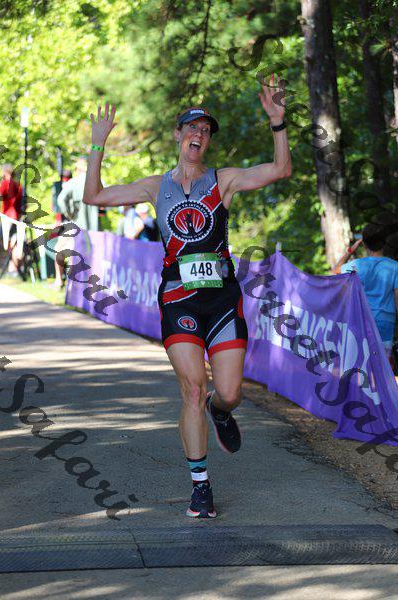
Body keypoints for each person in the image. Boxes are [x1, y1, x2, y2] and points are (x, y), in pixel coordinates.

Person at [83, 75, 291, 518]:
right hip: (178, 299)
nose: (199, 134)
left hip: (222, 301)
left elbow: (280, 170)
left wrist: (278, 123)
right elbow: (93, 196)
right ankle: (200, 485)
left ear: (208, 141)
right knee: (193, 388)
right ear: (178, 135)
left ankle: (221, 410)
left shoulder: (223, 181)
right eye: (192, 127)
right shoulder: (155, 187)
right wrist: (97, 144)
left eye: (206, 130)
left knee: (228, 392)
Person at [334, 224, 398, 360]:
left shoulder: (358, 265)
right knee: (382, 363)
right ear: (384, 242)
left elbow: (337, 269)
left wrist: (350, 250)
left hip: (361, 319)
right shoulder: (395, 267)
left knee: (362, 362)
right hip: (385, 322)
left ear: (364, 244)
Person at [49, 157, 99, 289]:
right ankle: (81, 285)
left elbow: (61, 200)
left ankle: (63, 282)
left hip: (75, 226)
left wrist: (70, 214)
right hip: (93, 229)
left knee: (61, 251)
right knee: (88, 256)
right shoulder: (97, 182)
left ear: (78, 169)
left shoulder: (73, 182)